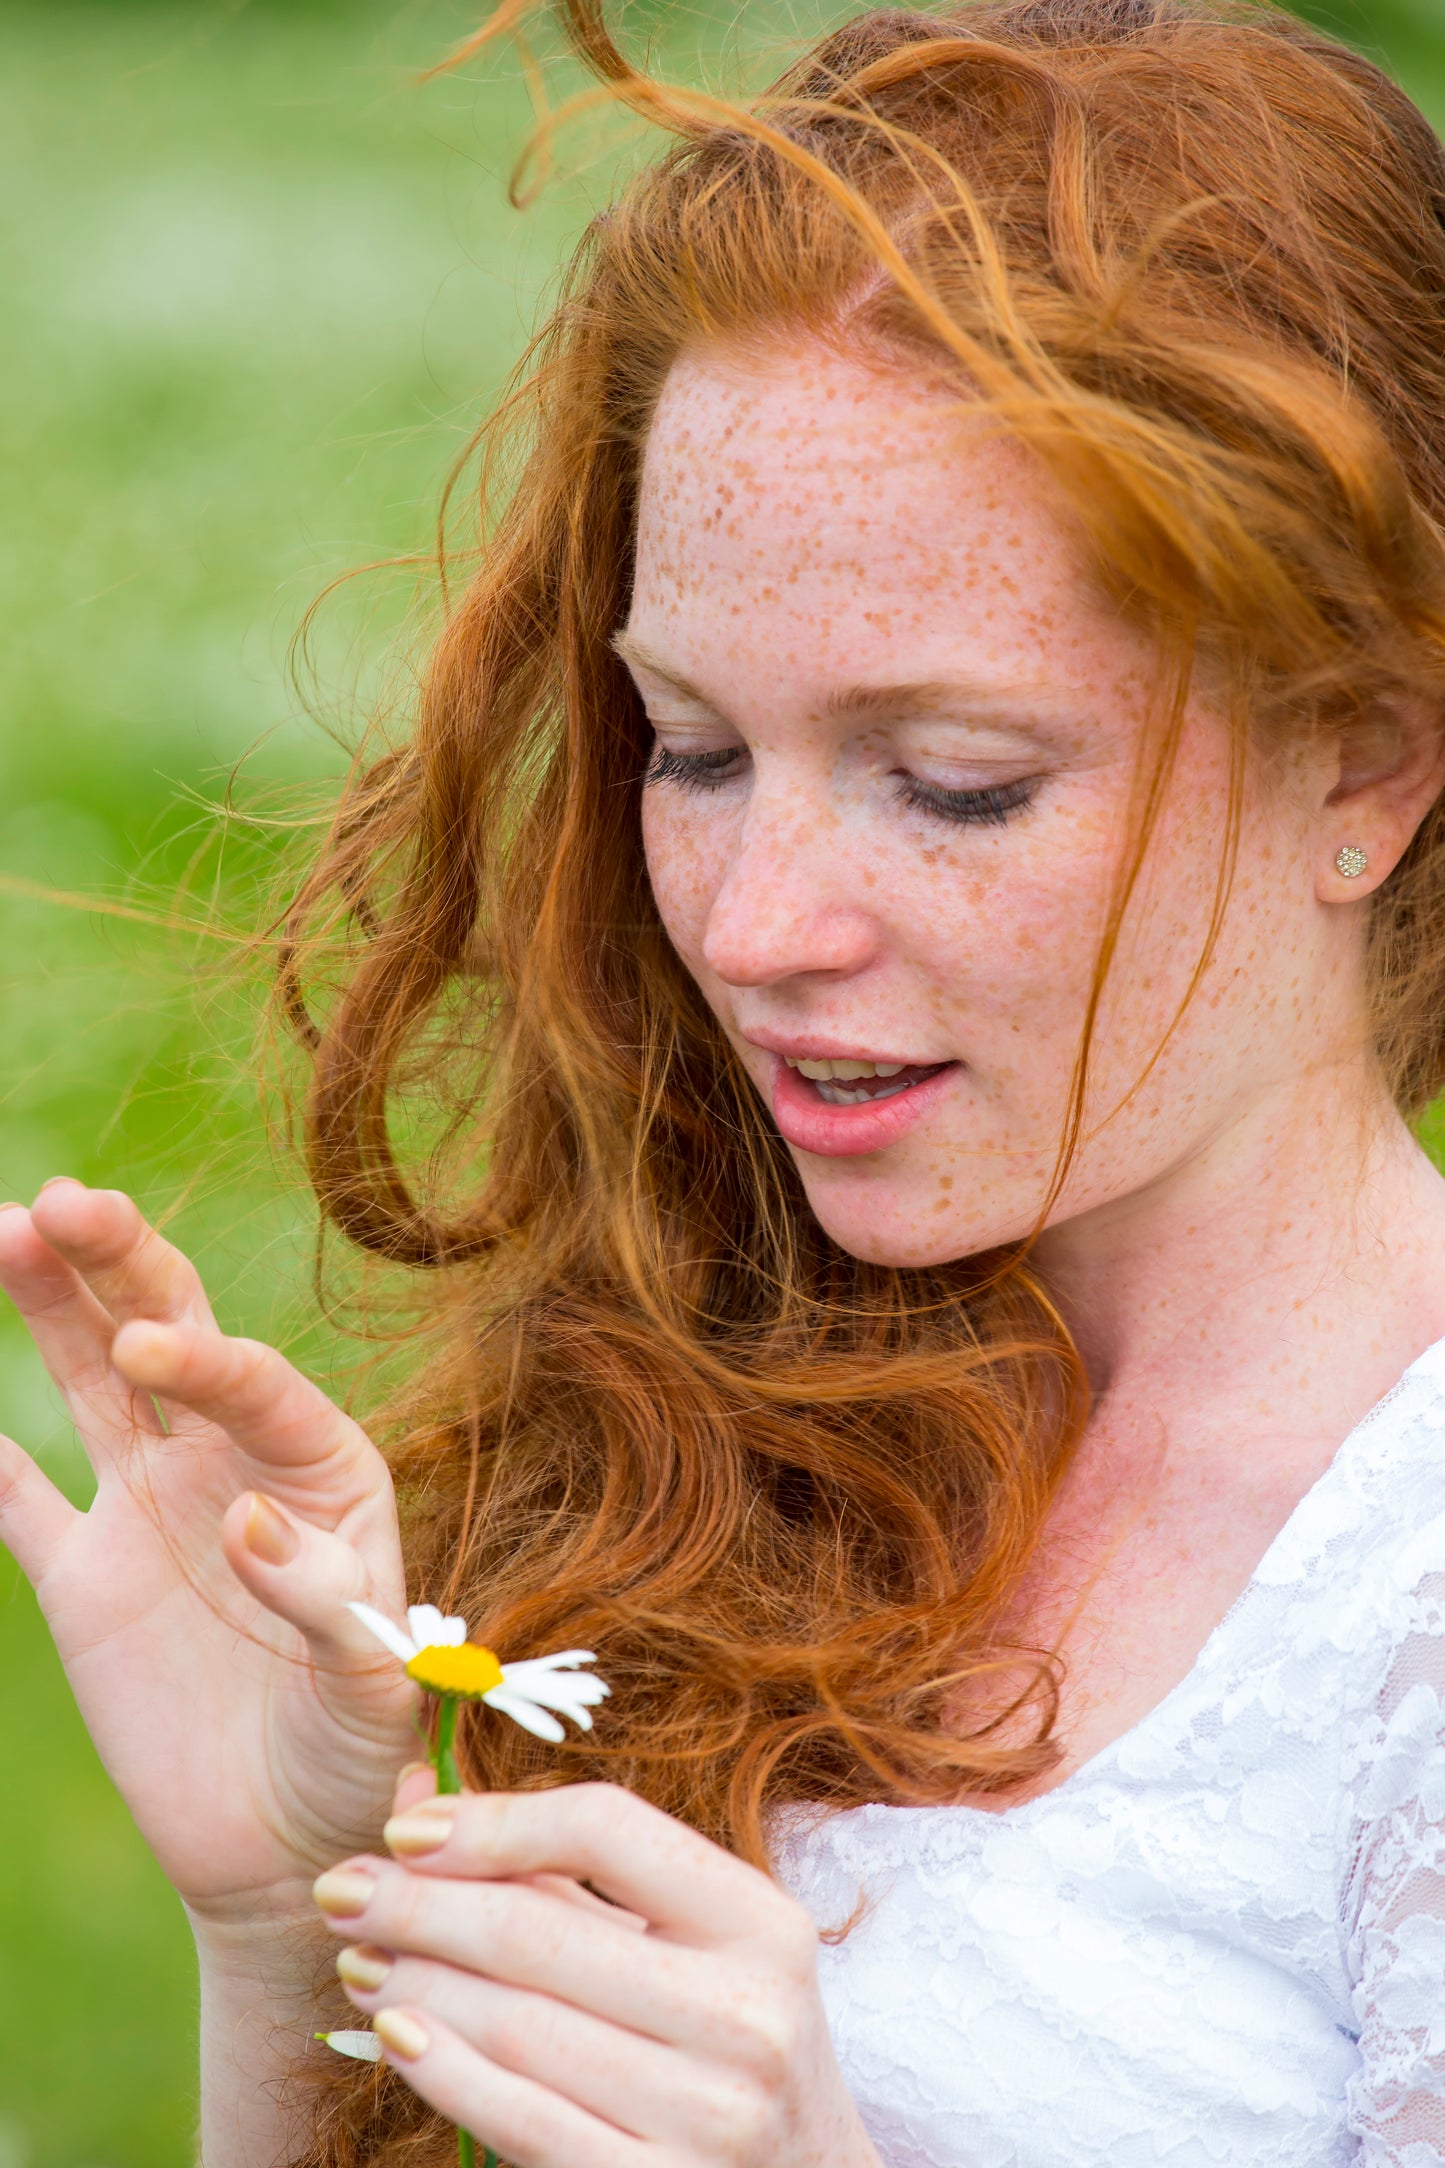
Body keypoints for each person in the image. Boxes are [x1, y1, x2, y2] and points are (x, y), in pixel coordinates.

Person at [4, 0, 1445, 2160]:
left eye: (954, 781)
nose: (757, 924)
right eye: (691, 746)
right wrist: (286, 1933)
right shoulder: (712, 1388)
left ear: (1367, 760)